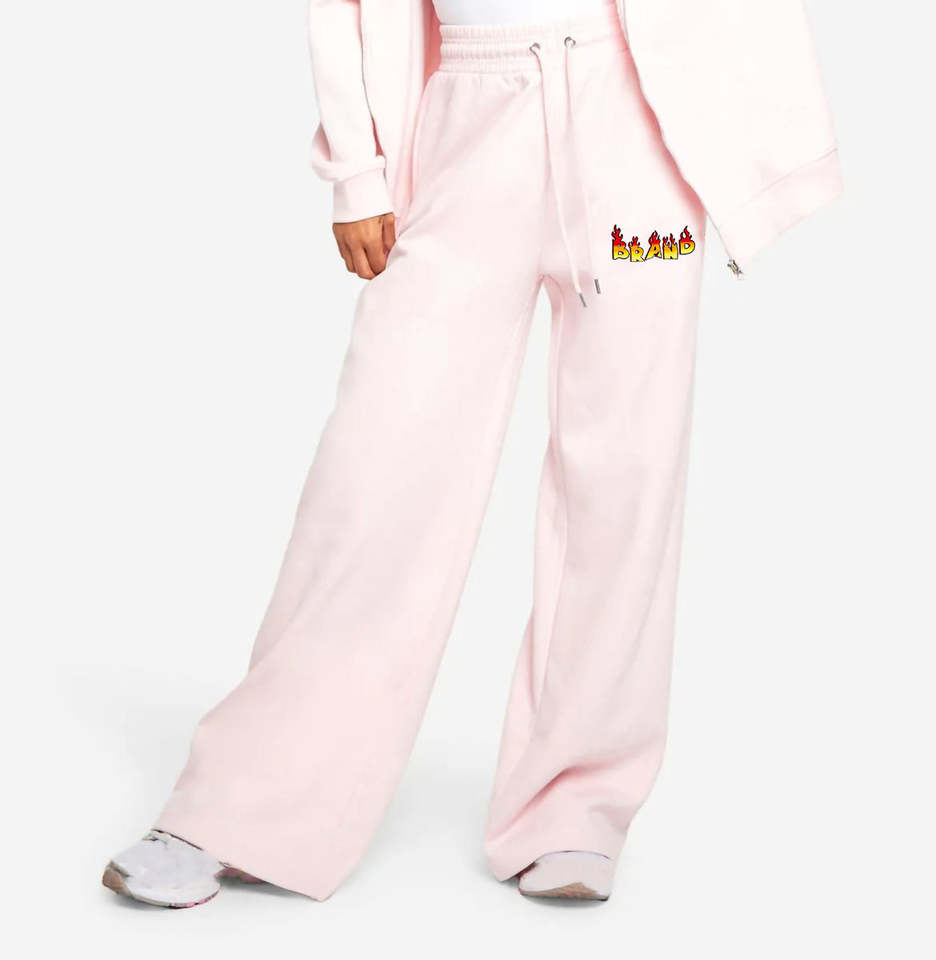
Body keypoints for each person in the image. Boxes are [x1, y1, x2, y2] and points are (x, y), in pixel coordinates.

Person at [102, 0, 841, 907]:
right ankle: (247, 806)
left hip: (637, 123)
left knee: (625, 475)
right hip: (466, 104)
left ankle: (577, 809)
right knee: (378, 469)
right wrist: (357, 167)